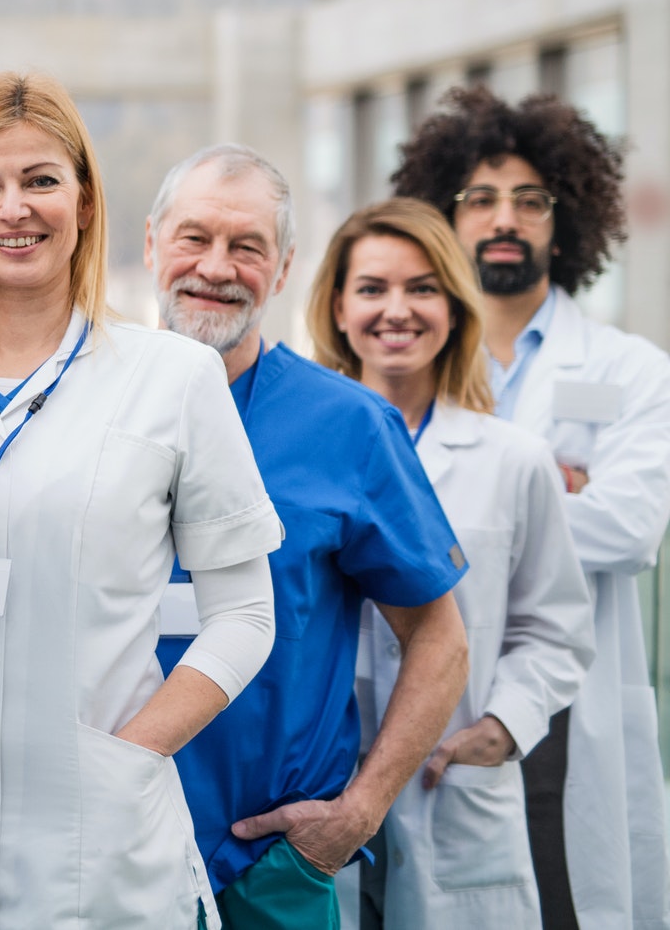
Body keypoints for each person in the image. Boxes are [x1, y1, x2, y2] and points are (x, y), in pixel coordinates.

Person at [0, 73, 281, 928]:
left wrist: (129, 754)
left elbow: (245, 613)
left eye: (41, 180)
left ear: (87, 202)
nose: (12, 208)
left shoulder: (173, 378)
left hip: (97, 848)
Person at [146, 144, 470, 929]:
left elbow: (440, 639)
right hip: (105, 847)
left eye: (247, 246)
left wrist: (356, 813)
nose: (215, 266)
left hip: (270, 867)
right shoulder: (83, 401)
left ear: (284, 270)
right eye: (194, 238)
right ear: (151, 244)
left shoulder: (350, 426)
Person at [394, 87, 670, 930]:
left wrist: (469, 505)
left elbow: (629, 525)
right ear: (444, 215)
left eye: (529, 199)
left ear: (567, 217)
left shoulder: (631, 369)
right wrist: (548, 487)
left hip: (563, 708)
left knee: (565, 903)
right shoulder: (402, 361)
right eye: (479, 199)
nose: (502, 218)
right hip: (422, 695)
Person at [308, 197, 593, 928]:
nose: (396, 309)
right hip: (316, 786)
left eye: (422, 287)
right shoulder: (296, 453)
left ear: (455, 307)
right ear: (337, 307)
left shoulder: (514, 460)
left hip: (448, 788)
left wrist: (504, 723)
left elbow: (555, 625)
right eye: (372, 288)